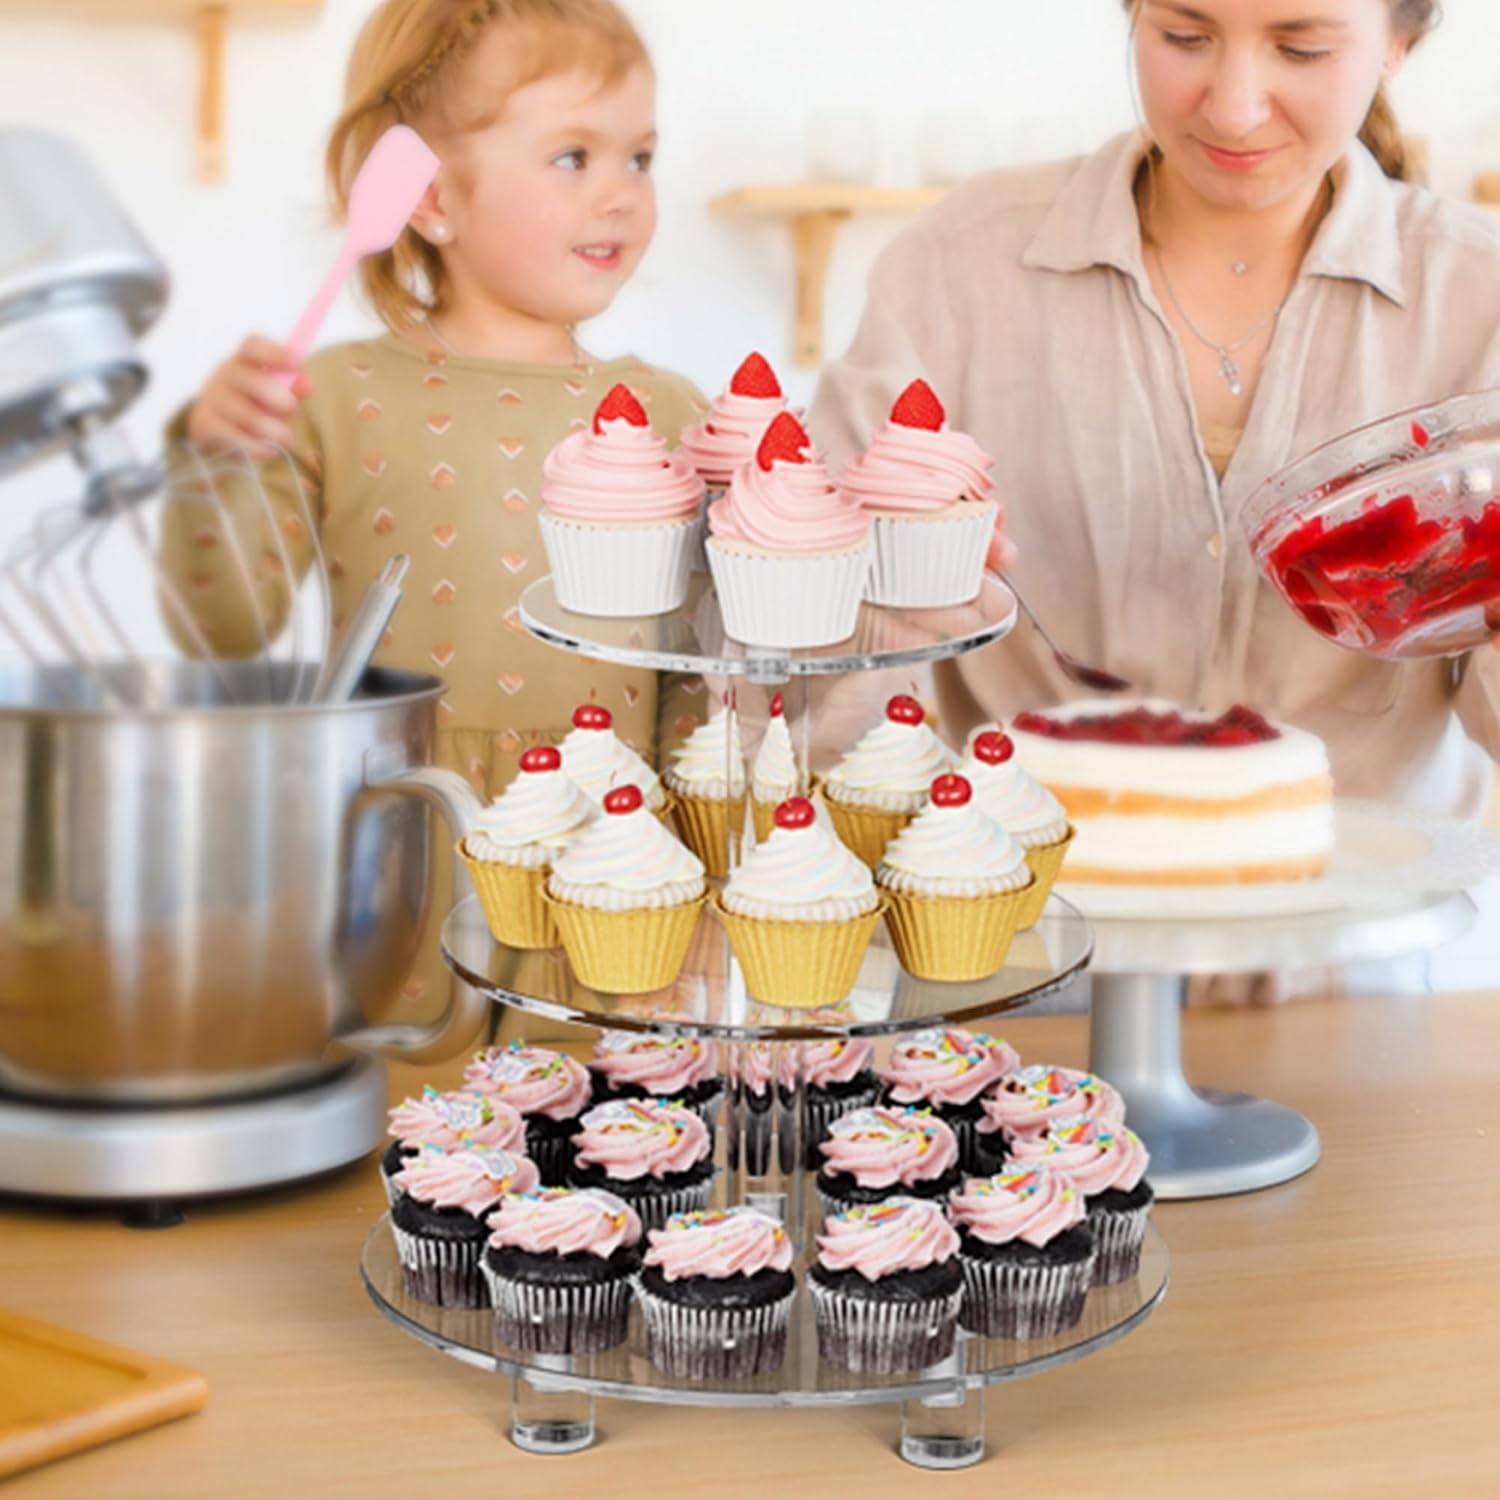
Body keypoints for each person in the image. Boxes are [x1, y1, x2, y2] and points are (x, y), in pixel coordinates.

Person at [808, 0, 1500, 1001]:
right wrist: (877, 605)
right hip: (1021, 986)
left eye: (1300, 46)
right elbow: (796, 685)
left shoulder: (1476, 301)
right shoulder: (962, 267)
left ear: (1399, 40)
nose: (1233, 102)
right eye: (1183, 36)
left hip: (1349, 994)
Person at [163, 0, 707, 1032]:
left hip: (612, 860)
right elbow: (223, 625)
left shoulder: (675, 411)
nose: (621, 196)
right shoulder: (334, 394)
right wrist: (214, 459)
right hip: (402, 851)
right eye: (571, 157)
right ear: (424, 195)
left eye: (639, 157)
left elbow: (700, 677)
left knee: (596, 1149)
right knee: (412, 1148)